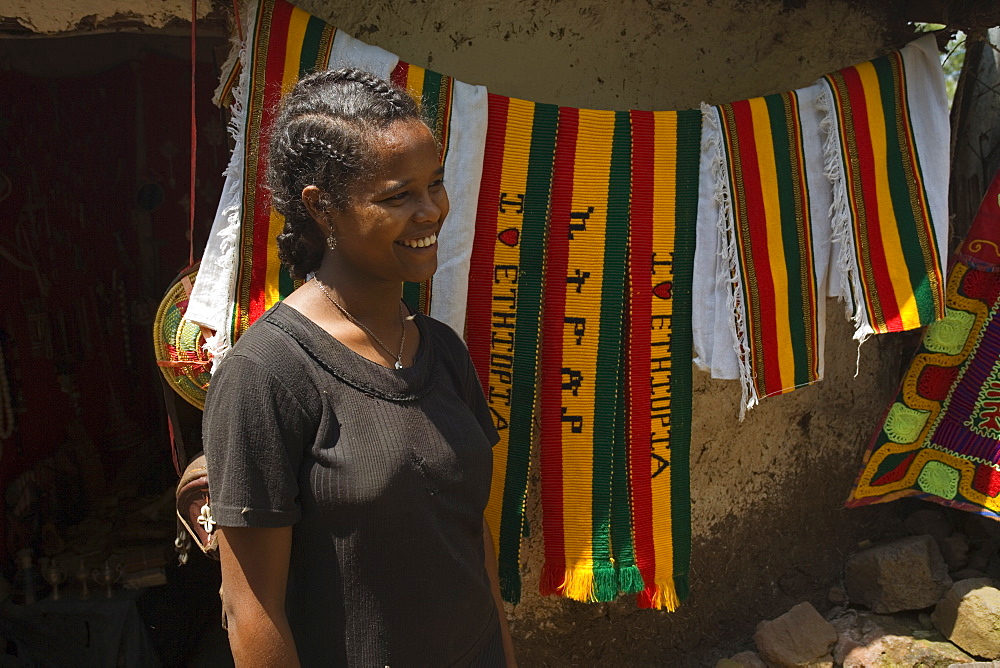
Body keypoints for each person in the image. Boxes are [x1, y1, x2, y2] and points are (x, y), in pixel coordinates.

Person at [202, 68, 516, 667]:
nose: (430, 212)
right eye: (399, 196)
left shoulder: (443, 350)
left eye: (435, 185)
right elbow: (251, 610)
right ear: (323, 209)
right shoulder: (266, 375)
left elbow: (473, 547)